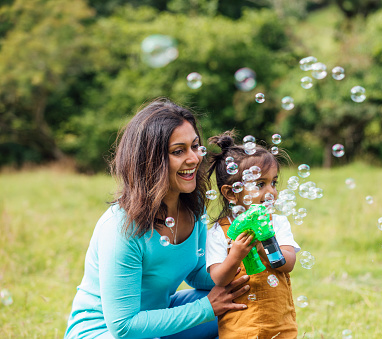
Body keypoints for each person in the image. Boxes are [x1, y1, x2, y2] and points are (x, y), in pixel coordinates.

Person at [64, 98, 250, 339]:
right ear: (150, 161)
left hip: (157, 319)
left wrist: (239, 260)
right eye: (178, 151)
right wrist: (206, 309)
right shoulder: (122, 228)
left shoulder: (193, 208)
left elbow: (197, 273)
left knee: (242, 297)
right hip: (104, 332)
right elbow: (124, 326)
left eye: (195, 146)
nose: (194, 158)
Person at [205, 131, 300, 339]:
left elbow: (289, 262)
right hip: (239, 326)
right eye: (260, 184)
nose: (271, 192)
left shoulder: (277, 223)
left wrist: (265, 244)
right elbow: (219, 278)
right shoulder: (219, 231)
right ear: (231, 193)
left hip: (280, 323)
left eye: (273, 182)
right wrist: (235, 255)